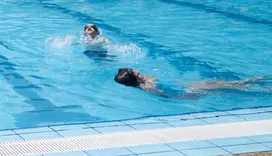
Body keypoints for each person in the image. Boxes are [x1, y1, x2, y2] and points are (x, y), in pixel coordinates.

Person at [115, 68, 270, 98]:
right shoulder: (147, 86)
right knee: (232, 86)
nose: (135, 69)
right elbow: (167, 96)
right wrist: (189, 96)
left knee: (228, 84)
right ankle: (262, 83)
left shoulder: (143, 82)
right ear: (133, 77)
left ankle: (260, 80)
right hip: (190, 89)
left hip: (190, 86)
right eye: (132, 70)